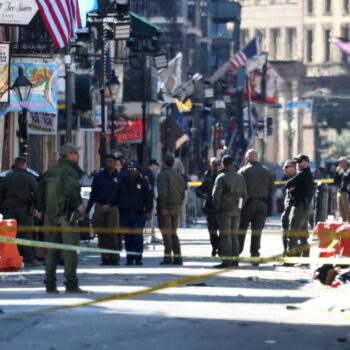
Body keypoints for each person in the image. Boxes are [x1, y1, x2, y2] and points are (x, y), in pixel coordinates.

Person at [41, 143, 87, 294]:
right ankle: (71, 284)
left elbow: (41, 190)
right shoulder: (69, 171)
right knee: (70, 250)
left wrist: (43, 209)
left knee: (53, 251)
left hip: (52, 215)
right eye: (75, 153)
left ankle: (50, 284)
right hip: (67, 216)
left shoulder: (51, 170)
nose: (78, 156)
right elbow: (70, 189)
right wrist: (78, 205)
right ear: (69, 155)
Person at [0, 156, 41, 268]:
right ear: (24, 165)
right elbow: (37, 195)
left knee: (9, 235)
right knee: (27, 235)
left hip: (9, 210)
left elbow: (1, 195)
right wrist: (37, 208)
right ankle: (29, 259)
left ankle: (9, 258)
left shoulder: (7, 177)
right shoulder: (29, 178)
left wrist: (2, 209)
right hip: (25, 210)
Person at [238, 149, 275, 261]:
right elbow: (272, 190)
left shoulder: (243, 171)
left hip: (247, 204)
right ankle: (255, 254)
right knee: (257, 231)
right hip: (262, 204)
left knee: (241, 229)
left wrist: (239, 207)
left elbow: (238, 191)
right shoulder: (267, 171)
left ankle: (236, 252)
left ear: (248, 158)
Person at [85, 154, 121, 266]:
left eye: (111, 161)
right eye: (107, 161)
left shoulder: (120, 177)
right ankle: (105, 258)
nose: (108, 163)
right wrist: (87, 210)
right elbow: (93, 194)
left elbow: (121, 194)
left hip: (113, 207)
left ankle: (114, 257)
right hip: (100, 205)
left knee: (112, 232)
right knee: (101, 233)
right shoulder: (99, 177)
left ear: (115, 163)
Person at [116, 160, 153, 265]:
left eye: (134, 169)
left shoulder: (143, 182)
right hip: (125, 214)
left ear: (138, 170)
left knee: (137, 236)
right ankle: (129, 257)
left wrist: (148, 211)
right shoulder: (123, 182)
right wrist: (110, 205)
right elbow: (117, 195)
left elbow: (148, 198)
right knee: (128, 237)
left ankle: (137, 258)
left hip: (139, 214)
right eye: (130, 169)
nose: (131, 171)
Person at [212, 155, 247, 268]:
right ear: (232, 164)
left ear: (223, 164)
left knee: (226, 235)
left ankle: (227, 261)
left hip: (224, 210)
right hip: (236, 210)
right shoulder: (240, 177)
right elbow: (245, 195)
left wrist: (217, 208)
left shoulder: (221, 177)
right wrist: (239, 208)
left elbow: (216, 196)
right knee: (234, 235)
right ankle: (235, 260)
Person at [157, 153, 185, 265]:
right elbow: (183, 194)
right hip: (175, 208)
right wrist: (178, 205)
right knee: (173, 233)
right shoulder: (179, 176)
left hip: (166, 208)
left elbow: (162, 193)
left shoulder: (163, 175)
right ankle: (178, 258)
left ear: (164, 163)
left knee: (166, 234)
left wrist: (162, 207)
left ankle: (168, 258)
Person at [286, 154, 314, 259]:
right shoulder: (306, 174)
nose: (298, 164)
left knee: (292, 233)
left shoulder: (303, 174)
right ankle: (305, 258)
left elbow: (288, 184)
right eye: (297, 162)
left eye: (300, 161)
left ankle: (290, 259)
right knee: (303, 235)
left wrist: (292, 187)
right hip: (305, 206)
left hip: (300, 207)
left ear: (306, 162)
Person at [195, 157, 220, 256]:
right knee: (212, 231)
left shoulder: (223, 175)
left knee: (223, 231)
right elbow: (200, 189)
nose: (214, 166)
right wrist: (202, 194)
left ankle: (220, 248)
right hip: (211, 208)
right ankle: (215, 247)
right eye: (213, 164)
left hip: (222, 208)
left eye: (216, 164)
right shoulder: (208, 176)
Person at [280, 160, 297, 256]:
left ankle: (291, 253)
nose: (284, 168)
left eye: (287, 166)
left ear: (294, 167)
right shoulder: (287, 178)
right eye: (284, 166)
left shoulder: (297, 178)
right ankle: (286, 251)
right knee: (285, 230)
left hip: (294, 209)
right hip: (287, 209)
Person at [333, 156, 350, 222]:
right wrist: (337, 172)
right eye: (339, 162)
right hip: (339, 192)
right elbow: (335, 181)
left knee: (347, 210)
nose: (339, 164)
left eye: (341, 162)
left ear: (345, 162)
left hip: (346, 192)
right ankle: (344, 224)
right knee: (341, 210)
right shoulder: (341, 171)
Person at [174, 158, 188, 228]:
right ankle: (183, 225)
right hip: (184, 193)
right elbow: (186, 185)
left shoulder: (173, 175)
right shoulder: (184, 176)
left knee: (177, 211)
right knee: (183, 211)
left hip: (175, 193)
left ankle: (178, 226)